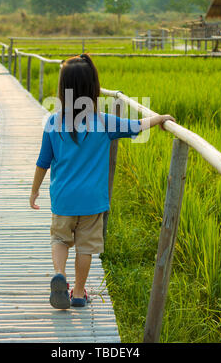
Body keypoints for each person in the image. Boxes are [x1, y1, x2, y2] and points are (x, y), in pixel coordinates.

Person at [29, 54, 175, 309]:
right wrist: (161, 118)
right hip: (93, 202)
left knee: (60, 240)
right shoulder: (105, 121)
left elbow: (43, 161)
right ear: (94, 88)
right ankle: (78, 293)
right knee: (85, 248)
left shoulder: (53, 122)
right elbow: (137, 125)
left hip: (63, 199)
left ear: (63, 90)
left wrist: (34, 192)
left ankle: (60, 276)